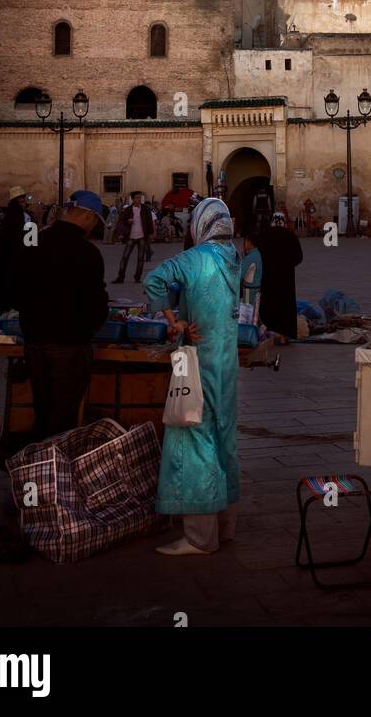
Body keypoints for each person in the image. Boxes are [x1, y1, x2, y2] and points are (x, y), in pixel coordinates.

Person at [143, 197, 240, 557]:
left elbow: (153, 280)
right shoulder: (234, 258)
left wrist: (174, 321)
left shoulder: (193, 258)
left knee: (194, 436)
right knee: (224, 438)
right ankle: (226, 527)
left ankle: (199, 538)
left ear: (200, 225)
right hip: (225, 362)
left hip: (194, 360)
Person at [13, 190, 109, 440]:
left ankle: (40, 465)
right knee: (64, 415)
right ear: (88, 217)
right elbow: (96, 303)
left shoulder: (34, 241)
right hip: (69, 343)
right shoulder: (88, 252)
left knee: (43, 409)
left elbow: (15, 285)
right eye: (96, 222)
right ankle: (57, 468)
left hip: (34, 340)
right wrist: (94, 324)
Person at [250, 211, 303, 341]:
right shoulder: (290, 235)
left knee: (269, 305)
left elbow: (257, 254)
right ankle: (284, 336)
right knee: (285, 306)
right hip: (286, 279)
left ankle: (269, 335)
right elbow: (299, 257)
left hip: (268, 278)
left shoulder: (264, 235)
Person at [0, 187, 30, 314]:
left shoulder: (6, 216)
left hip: (9, 260)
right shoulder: (21, 217)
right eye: (21, 202)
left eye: (25, 201)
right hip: (15, 260)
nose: (24, 204)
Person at [114, 191, 154, 283]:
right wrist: (128, 221)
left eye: (140, 197)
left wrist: (151, 233)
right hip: (131, 236)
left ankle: (137, 278)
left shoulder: (145, 209)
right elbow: (122, 221)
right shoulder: (128, 209)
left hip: (142, 236)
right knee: (125, 257)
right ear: (132, 199)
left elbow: (149, 221)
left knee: (140, 258)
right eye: (137, 197)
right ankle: (120, 277)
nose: (139, 199)